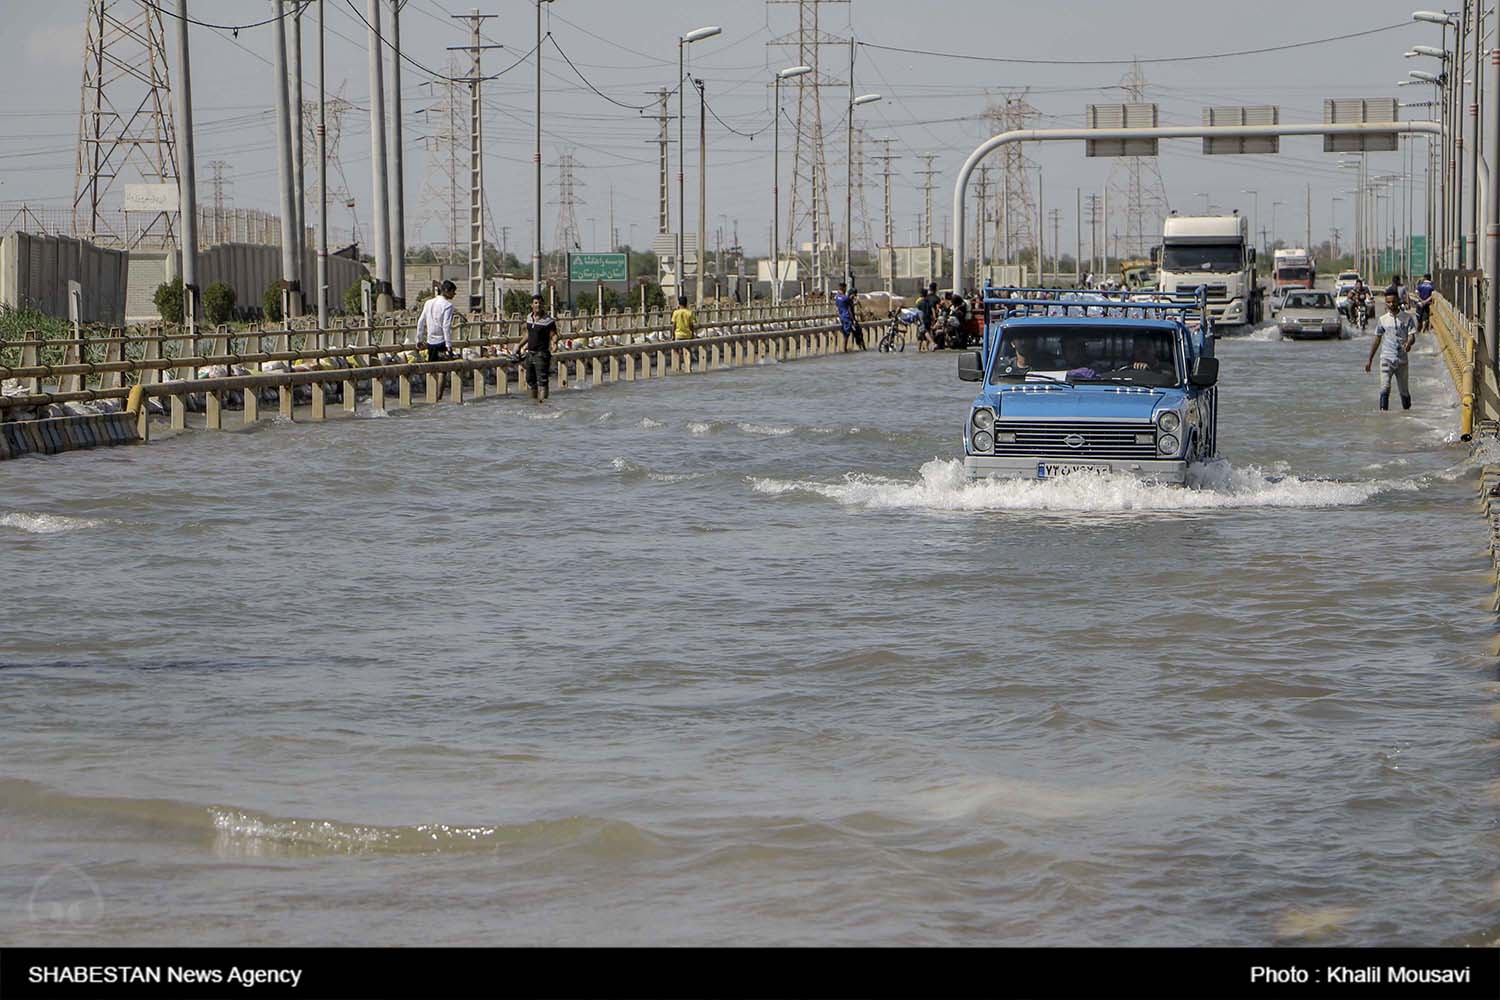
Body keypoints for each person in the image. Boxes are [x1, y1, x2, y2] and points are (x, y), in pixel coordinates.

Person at [1365, 289, 1417, 411]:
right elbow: (1377, 339)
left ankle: (1408, 415)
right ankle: (1384, 418)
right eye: (1388, 302)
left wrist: (1409, 343)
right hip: (1386, 359)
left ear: (1398, 301)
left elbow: (1412, 336)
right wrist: (1370, 360)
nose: (1391, 304)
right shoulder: (1383, 320)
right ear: (1385, 303)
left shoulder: (1406, 318)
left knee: (1404, 391)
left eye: (1394, 301)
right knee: (1384, 389)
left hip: (1401, 361)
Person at [520, 293, 557, 403]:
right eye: (536, 303)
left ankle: (543, 404)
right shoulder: (529, 318)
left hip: (541, 354)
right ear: (532, 305)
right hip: (530, 353)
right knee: (530, 380)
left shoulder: (548, 320)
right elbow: (528, 334)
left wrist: (554, 342)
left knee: (542, 381)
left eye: (540, 303)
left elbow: (554, 334)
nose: (538, 305)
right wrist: (519, 345)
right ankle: (534, 402)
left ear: (543, 305)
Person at [416, 279, 457, 362]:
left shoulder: (428, 303)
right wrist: (448, 345)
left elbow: (421, 321)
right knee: (443, 370)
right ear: (446, 291)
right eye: (453, 291)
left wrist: (419, 340)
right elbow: (446, 326)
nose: (454, 294)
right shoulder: (448, 305)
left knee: (432, 369)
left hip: (430, 342)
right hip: (441, 342)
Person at [916, 283, 939, 351]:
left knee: (920, 337)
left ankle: (919, 350)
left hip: (921, 321)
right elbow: (933, 310)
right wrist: (934, 318)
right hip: (928, 320)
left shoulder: (919, 303)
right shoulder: (928, 302)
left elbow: (916, 312)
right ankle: (926, 349)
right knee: (925, 336)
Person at [835, 281, 856, 351]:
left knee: (844, 332)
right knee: (847, 333)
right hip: (847, 317)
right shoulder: (845, 298)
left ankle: (843, 347)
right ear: (844, 288)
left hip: (841, 316)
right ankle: (844, 348)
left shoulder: (837, 297)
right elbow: (850, 306)